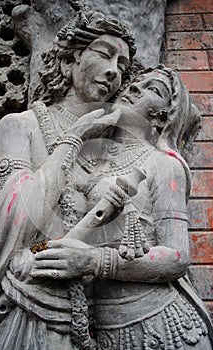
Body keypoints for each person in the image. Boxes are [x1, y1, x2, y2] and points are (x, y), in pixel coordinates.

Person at [0, 3, 136, 349]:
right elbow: (18, 224)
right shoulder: (22, 126)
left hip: (104, 314)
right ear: (69, 62)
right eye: (104, 55)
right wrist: (75, 136)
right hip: (30, 310)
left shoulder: (114, 145)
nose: (114, 72)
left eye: (122, 65)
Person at [31, 65, 213, 349]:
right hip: (101, 326)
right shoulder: (91, 158)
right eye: (136, 82)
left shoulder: (164, 164)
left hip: (157, 322)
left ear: (163, 117)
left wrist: (94, 261)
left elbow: (176, 255)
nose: (135, 88)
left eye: (153, 89)